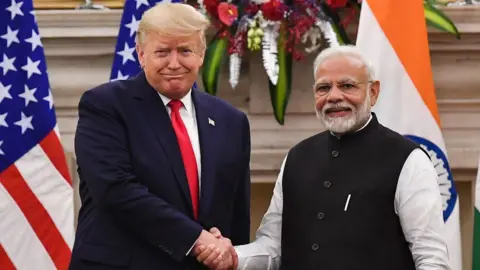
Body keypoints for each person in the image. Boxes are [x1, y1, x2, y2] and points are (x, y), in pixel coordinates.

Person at [196, 45, 452, 270]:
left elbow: (431, 259)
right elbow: (273, 247)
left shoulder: (409, 160)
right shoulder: (297, 157)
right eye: (324, 88)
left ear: (373, 93)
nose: (334, 97)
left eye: (347, 85)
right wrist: (234, 256)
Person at [69, 3, 250, 270]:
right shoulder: (105, 105)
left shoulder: (231, 121)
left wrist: (232, 257)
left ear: (201, 54)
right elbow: (115, 189)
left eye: (185, 51)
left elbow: (236, 212)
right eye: (162, 52)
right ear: (141, 55)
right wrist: (197, 239)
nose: (174, 63)